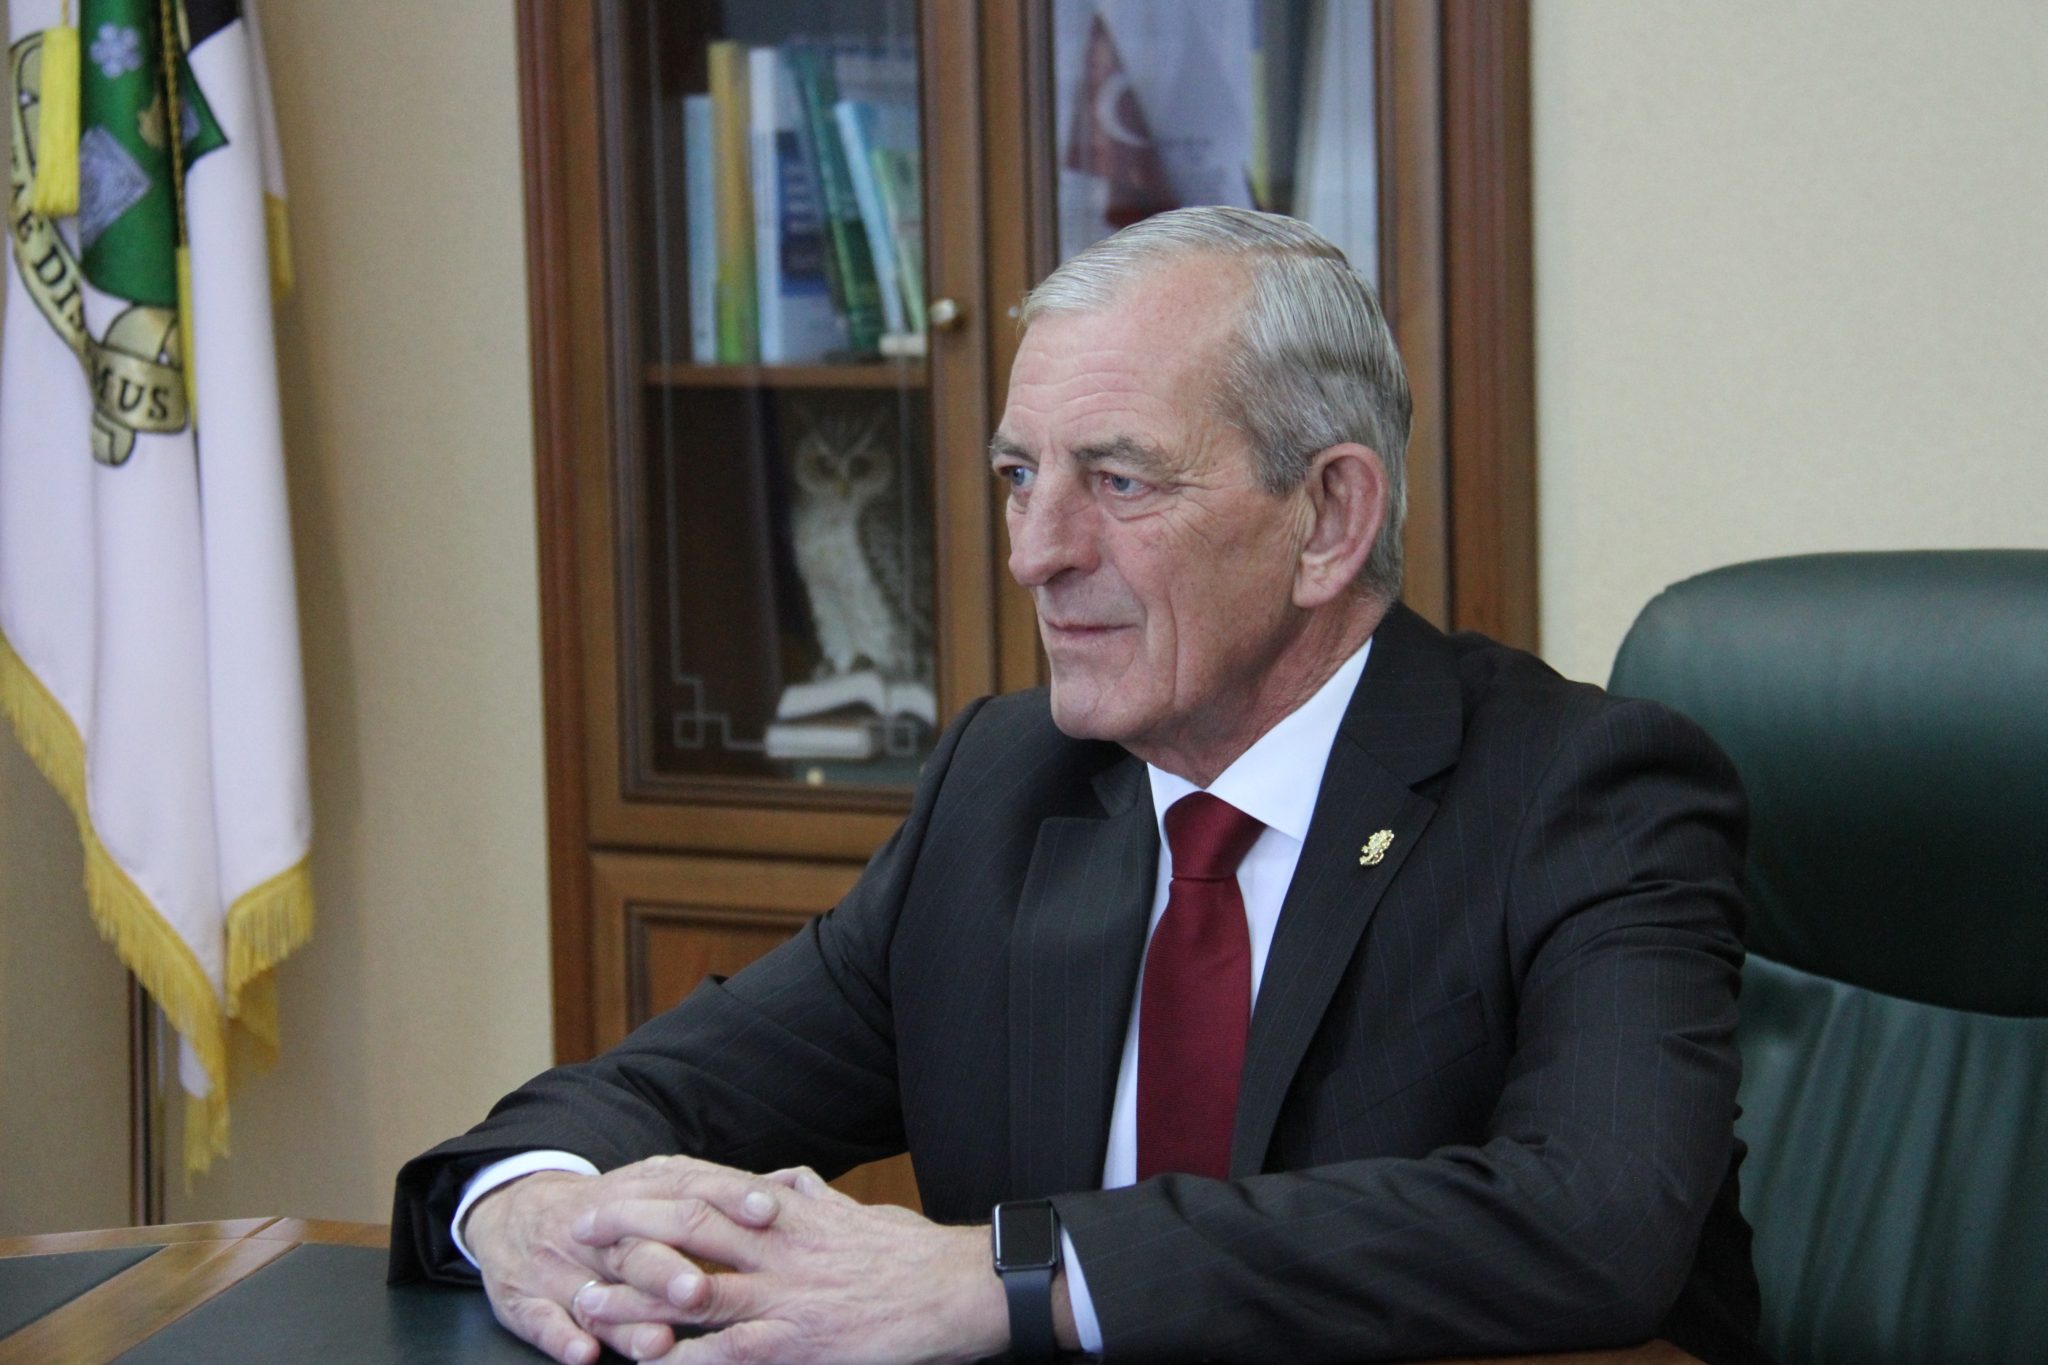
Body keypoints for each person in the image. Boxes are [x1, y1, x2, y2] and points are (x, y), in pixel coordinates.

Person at [391, 207, 1769, 1365]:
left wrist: (1007, 1276)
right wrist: (529, 1210)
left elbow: (1595, 1219)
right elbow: (657, 1094)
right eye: (1018, 475)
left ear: (1329, 517)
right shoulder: (1007, 787)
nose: (1035, 552)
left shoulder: (1581, 792)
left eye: (1116, 480)